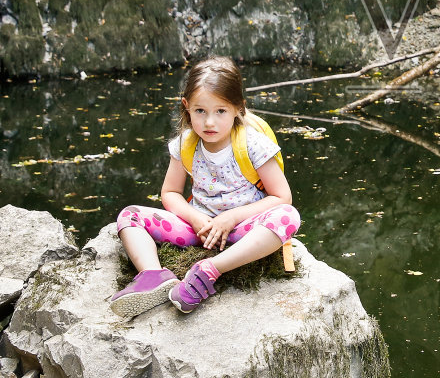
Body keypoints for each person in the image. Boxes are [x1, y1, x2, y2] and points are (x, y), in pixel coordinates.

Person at [109, 55, 300, 318]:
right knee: (129, 215)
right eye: (200, 111)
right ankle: (153, 275)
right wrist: (194, 218)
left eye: (220, 111)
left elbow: (282, 197)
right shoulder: (186, 143)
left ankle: (210, 269)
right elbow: (170, 193)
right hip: (198, 229)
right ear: (186, 106)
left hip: (243, 229)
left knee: (288, 217)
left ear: (238, 108)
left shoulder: (252, 144)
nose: (209, 122)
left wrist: (231, 218)